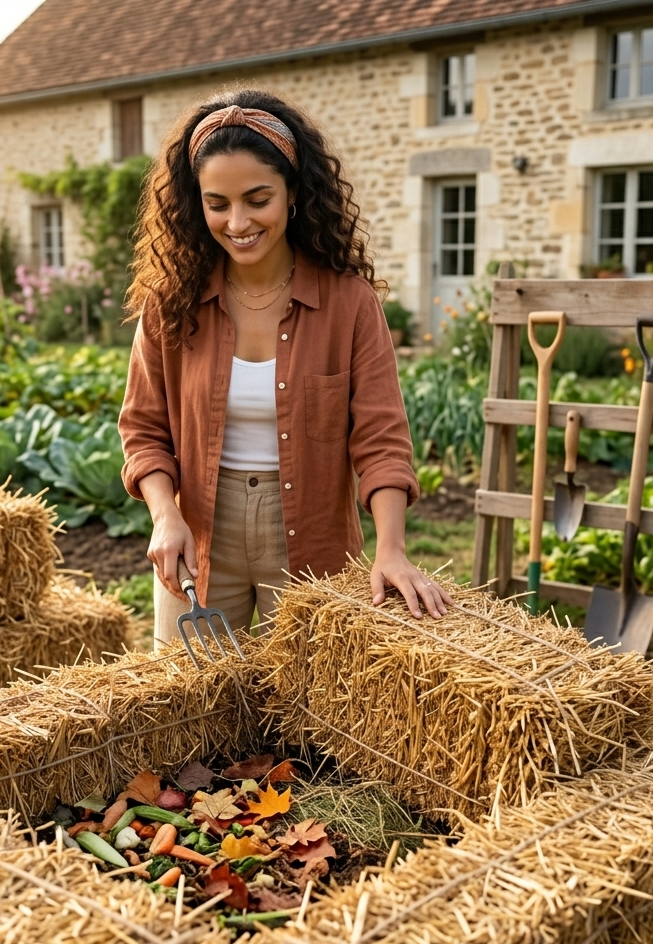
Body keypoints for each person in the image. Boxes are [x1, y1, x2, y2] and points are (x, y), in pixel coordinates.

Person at [119, 89, 452, 649]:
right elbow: (143, 430)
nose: (238, 221)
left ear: (293, 193)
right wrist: (163, 515)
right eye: (217, 203)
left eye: (257, 199)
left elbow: (382, 439)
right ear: (195, 204)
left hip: (311, 542)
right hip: (198, 535)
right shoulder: (169, 304)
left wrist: (391, 547)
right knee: (186, 717)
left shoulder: (348, 303)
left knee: (307, 722)